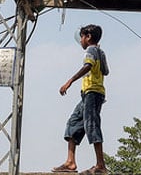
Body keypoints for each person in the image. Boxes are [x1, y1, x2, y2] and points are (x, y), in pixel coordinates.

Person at [52, 24, 110, 175]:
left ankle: (100, 165)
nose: (81, 41)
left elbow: (88, 66)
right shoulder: (100, 52)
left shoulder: (91, 50)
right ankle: (70, 162)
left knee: (91, 125)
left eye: (82, 37)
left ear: (88, 37)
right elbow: (106, 71)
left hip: (92, 93)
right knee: (74, 122)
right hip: (89, 94)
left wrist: (69, 81)